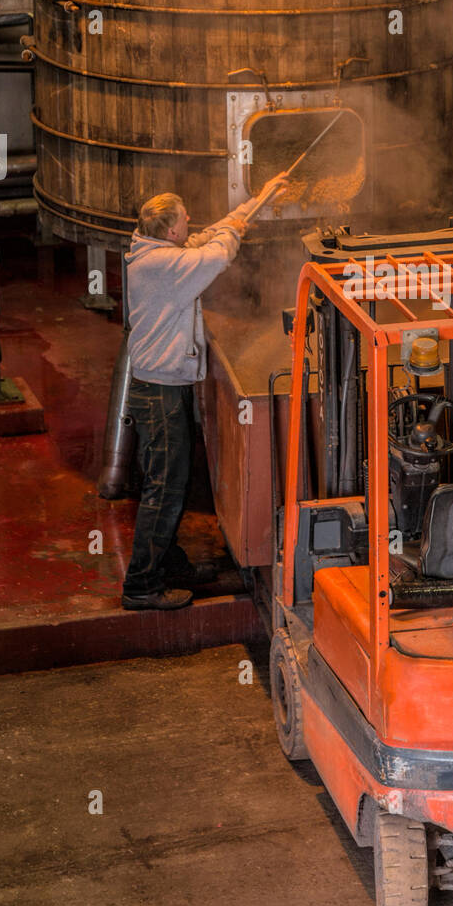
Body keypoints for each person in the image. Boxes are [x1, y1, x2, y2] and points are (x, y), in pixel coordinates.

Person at [121, 178, 287, 611]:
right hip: (158, 392)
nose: (190, 221)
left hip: (162, 386)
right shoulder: (163, 267)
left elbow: (213, 233)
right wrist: (232, 235)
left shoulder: (156, 250)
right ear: (171, 230)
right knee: (165, 485)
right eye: (184, 220)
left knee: (170, 480)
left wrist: (261, 196)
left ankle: (168, 565)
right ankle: (142, 585)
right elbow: (217, 253)